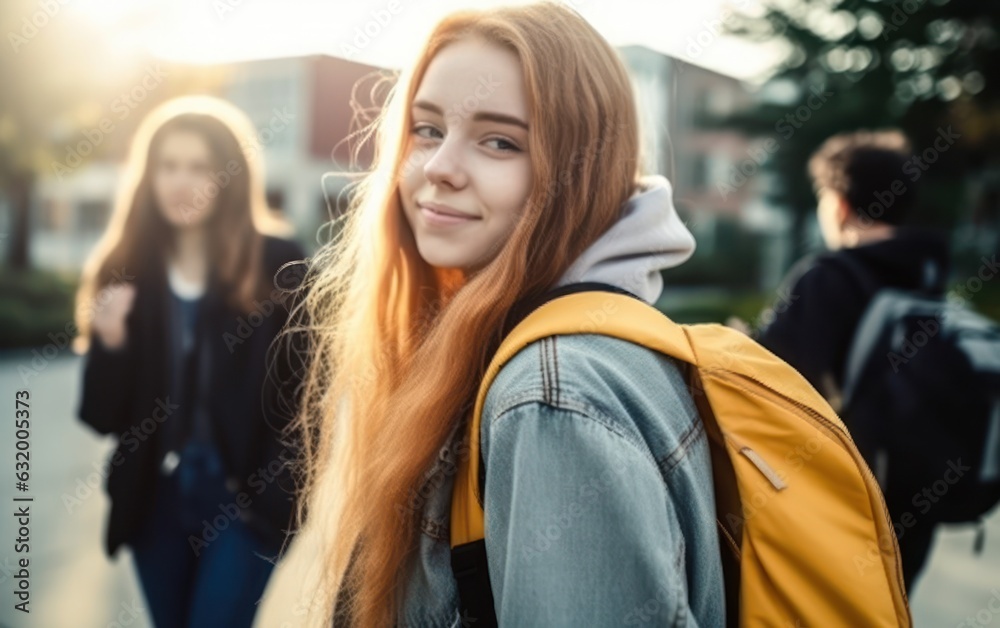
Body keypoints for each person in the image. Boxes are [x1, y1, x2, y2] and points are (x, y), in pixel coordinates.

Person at [278, 3, 724, 626]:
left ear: (580, 171)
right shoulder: (543, 341)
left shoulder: (552, 395)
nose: (438, 167)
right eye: (427, 128)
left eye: (500, 141)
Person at [74, 95, 307, 627]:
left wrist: (273, 500)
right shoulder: (126, 267)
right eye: (168, 166)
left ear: (229, 176)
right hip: (153, 500)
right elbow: (100, 416)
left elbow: (306, 400)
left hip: (241, 498)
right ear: (148, 176)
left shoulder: (279, 262)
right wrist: (109, 342)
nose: (182, 182)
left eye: (200, 167)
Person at [754, 129, 951, 592]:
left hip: (841, 502)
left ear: (839, 204)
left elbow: (768, 388)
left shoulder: (827, 277)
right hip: (913, 504)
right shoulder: (927, 276)